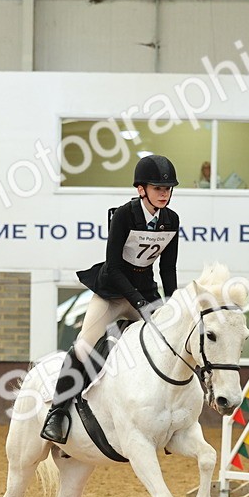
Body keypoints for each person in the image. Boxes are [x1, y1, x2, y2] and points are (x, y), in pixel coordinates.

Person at [40, 154, 181, 444]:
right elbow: (114, 267)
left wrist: (173, 303)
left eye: (167, 189)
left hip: (145, 292)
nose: (164, 193)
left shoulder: (171, 220)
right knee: (84, 346)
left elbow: (167, 268)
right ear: (141, 189)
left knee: (171, 343)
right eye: (158, 188)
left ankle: (167, 414)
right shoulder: (124, 215)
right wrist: (138, 304)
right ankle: (57, 412)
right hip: (112, 292)